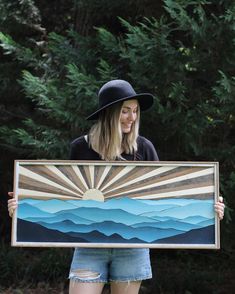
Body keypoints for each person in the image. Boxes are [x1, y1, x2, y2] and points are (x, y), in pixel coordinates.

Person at [8, 80, 225, 294]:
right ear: (109, 113)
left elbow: (165, 198)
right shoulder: (81, 148)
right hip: (88, 245)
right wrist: (23, 208)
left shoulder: (144, 148)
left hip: (132, 248)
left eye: (135, 111)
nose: (132, 117)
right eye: (125, 111)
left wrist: (209, 210)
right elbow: (67, 198)